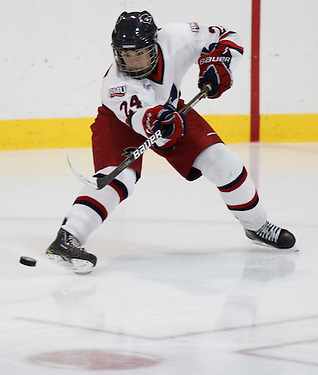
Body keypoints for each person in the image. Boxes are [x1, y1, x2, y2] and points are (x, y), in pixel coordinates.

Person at [46, 10, 297, 274]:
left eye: (139, 53)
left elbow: (225, 36)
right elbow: (140, 116)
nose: (131, 61)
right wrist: (156, 120)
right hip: (121, 122)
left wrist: (217, 64)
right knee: (119, 178)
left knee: (221, 160)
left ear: (154, 43)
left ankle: (257, 226)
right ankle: (68, 237)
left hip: (170, 109)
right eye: (125, 55)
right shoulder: (115, 86)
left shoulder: (177, 37)